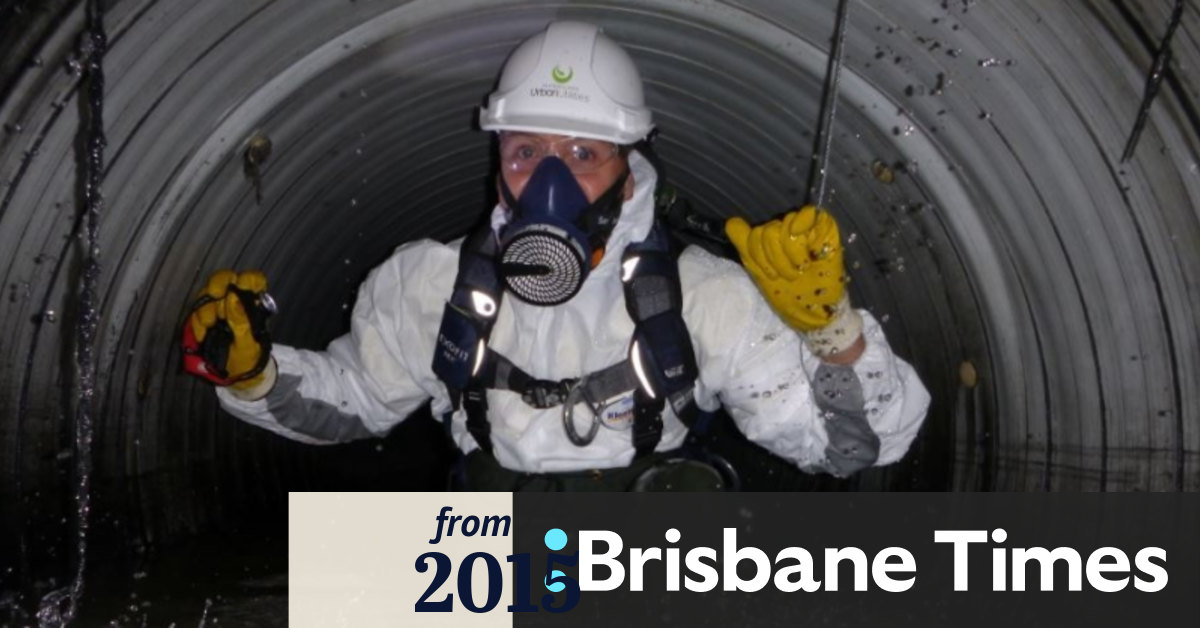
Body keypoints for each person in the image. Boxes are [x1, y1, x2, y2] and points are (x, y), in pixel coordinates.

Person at [182, 21, 930, 491]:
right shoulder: (430, 286)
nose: (549, 182)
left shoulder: (702, 296)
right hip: (484, 553)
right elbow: (354, 401)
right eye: (527, 151)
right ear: (497, 153)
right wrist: (256, 376)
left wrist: (837, 339)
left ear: (628, 162)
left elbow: (849, 451)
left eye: (581, 153)